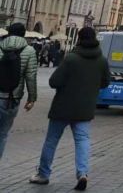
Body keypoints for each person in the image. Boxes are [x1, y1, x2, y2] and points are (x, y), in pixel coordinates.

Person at [29, 26, 110, 190]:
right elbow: (105, 83)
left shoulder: (71, 58)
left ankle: (43, 175)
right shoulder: (102, 60)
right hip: (85, 108)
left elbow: (54, 81)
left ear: (79, 39)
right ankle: (82, 173)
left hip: (63, 107)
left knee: (51, 140)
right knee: (82, 140)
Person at [0, 22, 39, 162]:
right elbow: (31, 76)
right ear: (24, 34)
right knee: (2, 134)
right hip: (12, 98)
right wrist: (31, 98)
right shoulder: (29, 51)